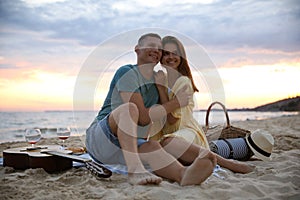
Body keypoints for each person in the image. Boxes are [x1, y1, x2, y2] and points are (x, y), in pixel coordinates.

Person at [85, 33, 217, 186]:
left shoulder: (157, 84)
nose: (156, 50)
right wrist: (176, 103)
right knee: (129, 109)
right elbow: (143, 118)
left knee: (153, 146)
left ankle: (183, 175)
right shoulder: (127, 72)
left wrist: (162, 89)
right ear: (137, 49)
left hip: (126, 149)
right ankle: (135, 171)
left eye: (159, 48)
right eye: (151, 45)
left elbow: (158, 121)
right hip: (101, 139)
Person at [153, 36, 254, 173]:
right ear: (161, 57)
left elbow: (171, 119)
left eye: (175, 53)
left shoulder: (183, 82)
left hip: (186, 133)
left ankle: (226, 163)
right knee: (155, 148)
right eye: (166, 53)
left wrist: (160, 89)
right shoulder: (161, 79)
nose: (171, 57)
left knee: (168, 143)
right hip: (168, 134)